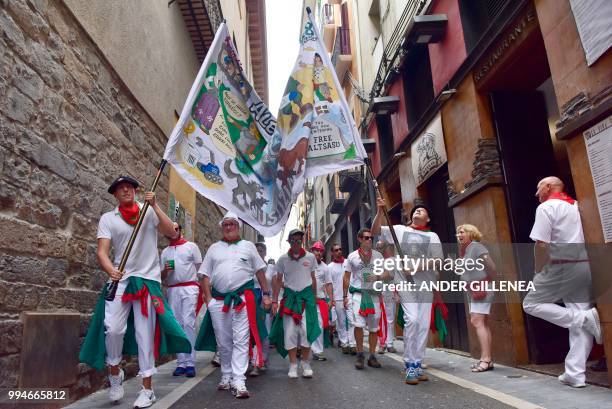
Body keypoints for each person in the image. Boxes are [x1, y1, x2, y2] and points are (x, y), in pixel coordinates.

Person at [79, 176, 191, 408]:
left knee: (144, 334)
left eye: (129, 187)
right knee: (113, 328)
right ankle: (114, 373)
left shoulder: (148, 211)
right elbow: (102, 252)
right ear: (115, 194)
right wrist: (111, 270)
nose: (126, 190)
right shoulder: (108, 218)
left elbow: (171, 231)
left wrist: (156, 206)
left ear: (135, 191)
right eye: (120, 188)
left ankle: (147, 389)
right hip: (121, 280)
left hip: (146, 281)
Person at [522, 176, 602, 388]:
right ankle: (575, 374)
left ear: (548, 187)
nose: (537, 194)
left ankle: (583, 318)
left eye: (538, 189)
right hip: (583, 264)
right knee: (581, 321)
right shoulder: (576, 205)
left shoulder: (547, 207)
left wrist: (539, 269)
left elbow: (541, 244)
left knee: (530, 304)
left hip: (561, 266)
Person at [195, 212, 271, 399]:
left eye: (232, 224)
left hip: (243, 300)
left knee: (241, 339)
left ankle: (239, 380)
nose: (229, 227)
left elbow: (260, 271)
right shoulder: (214, 248)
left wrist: (267, 294)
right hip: (219, 302)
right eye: (226, 224)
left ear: (238, 227)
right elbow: (204, 275)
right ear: (222, 227)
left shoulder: (248, 246)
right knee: (223, 342)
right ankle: (226, 375)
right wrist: (209, 300)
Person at [372, 198, 443, 385]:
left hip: (425, 285)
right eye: (416, 210)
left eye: (422, 210)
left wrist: (417, 268)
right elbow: (375, 231)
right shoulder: (400, 230)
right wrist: (380, 211)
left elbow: (437, 260)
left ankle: (418, 363)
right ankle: (409, 364)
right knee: (411, 320)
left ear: (428, 219)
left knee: (423, 323)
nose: (418, 211)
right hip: (405, 284)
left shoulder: (432, 236)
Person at [269, 229, 321, 378]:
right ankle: (292, 365)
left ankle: (305, 363)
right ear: (289, 242)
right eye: (293, 241)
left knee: (306, 331)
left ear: (302, 241)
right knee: (290, 333)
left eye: (299, 240)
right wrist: (274, 301)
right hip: (290, 299)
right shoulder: (283, 259)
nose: (296, 243)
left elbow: (313, 278)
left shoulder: (311, 258)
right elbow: (278, 280)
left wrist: (315, 297)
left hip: (306, 299)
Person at [160, 223, 203, 378]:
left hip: (190, 287)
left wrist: (204, 289)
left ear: (180, 231)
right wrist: (166, 270)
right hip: (172, 289)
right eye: (171, 229)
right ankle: (181, 363)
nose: (174, 231)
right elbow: (162, 277)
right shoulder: (165, 252)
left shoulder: (191, 247)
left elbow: (200, 269)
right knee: (177, 324)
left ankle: (190, 363)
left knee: (188, 322)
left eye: (176, 229)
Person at [456, 224, 497, 372]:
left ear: (471, 234)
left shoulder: (476, 247)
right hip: (474, 290)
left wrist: (485, 284)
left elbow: (491, 267)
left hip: (481, 289)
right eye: (458, 233)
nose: (459, 234)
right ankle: (487, 359)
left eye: (462, 232)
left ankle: (485, 360)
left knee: (477, 321)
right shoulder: (467, 251)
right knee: (483, 323)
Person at [344, 228, 385, 370]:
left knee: (374, 327)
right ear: (360, 239)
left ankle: (372, 356)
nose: (369, 240)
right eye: (366, 238)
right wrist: (345, 296)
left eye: (371, 238)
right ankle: (360, 354)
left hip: (373, 295)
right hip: (358, 295)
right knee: (358, 325)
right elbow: (346, 277)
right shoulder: (352, 256)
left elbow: (388, 274)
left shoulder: (378, 256)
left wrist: (378, 277)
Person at [248, 242, 276, 376]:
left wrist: (274, 302)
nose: (258, 252)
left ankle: (263, 360)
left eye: (260, 250)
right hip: (250, 301)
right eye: (256, 250)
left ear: (265, 253)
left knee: (265, 332)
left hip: (265, 302)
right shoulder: (247, 267)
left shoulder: (270, 268)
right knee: (251, 332)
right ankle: (254, 361)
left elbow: (275, 286)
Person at [328, 243, 356, 354]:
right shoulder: (329, 267)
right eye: (336, 250)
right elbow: (329, 284)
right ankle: (345, 344)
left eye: (340, 249)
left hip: (349, 296)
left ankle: (353, 344)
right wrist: (331, 299)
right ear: (332, 253)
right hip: (337, 298)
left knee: (352, 320)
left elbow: (353, 278)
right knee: (341, 322)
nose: (339, 251)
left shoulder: (348, 263)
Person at [310, 241, 334, 361]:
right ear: (312, 251)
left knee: (319, 325)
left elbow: (329, 284)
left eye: (320, 251)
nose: (318, 253)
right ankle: (299, 347)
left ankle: (317, 351)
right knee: (301, 325)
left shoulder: (325, 267)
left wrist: (330, 299)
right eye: (316, 250)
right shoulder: (305, 264)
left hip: (319, 300)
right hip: (305, 300)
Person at [376, 242, 398, 354]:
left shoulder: (392, 260)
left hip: (389, 292)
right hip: (377, 293)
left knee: (390, 319)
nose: (379, 249)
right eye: (377, 248)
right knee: (379, 318)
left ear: (386, 248)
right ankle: (382, 343)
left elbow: (390, 274)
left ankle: (389, 343)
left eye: (381, 247)